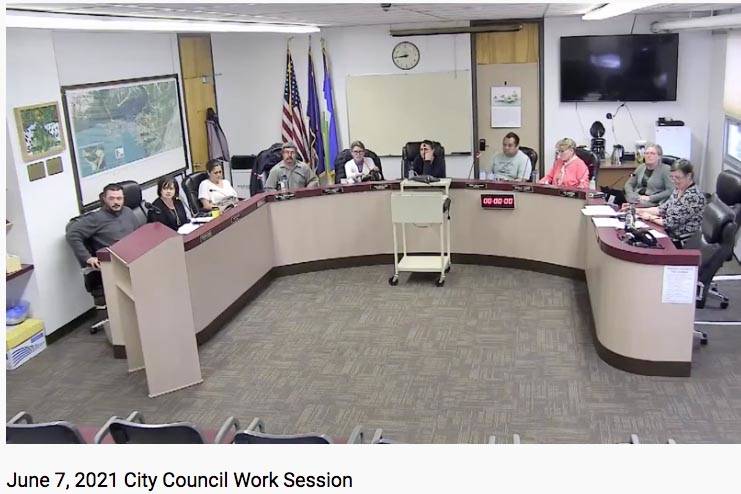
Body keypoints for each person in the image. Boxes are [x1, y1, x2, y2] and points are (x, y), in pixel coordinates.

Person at [66, 183, 141, 269]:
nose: (116, 202)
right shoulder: (96, 218)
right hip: (116, 264)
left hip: (134, 258)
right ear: (104, 199)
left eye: (119, 198)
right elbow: (72, 234)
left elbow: (138, 234)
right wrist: (87, 258)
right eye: (111, 198)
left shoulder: (128, 211)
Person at [637, 159, 706, 239]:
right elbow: (662, 209)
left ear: (689, 176)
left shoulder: (693, 197)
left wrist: (650, 217)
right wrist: (637, 210)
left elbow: (670, 223)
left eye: (677, 177)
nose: (674, 181)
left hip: (679, 239)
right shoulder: (678, 189)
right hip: (666, 231)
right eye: (672, 177)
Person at [623, 143, 674, 207]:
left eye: (652, 153)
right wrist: (631, 195)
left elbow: (671, 190)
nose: (649, 156)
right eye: (646, 153)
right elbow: (629, 184)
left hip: (654, 202)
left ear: (659, 156)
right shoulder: (641, 167)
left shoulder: (666, 170)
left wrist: (651, 198)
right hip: (637, 199)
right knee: (615, 196)